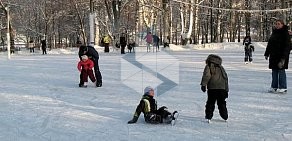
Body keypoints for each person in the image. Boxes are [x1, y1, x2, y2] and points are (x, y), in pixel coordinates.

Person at [200, 54, 229, 123]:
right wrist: (226, 90)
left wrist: (203, 85)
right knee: (222, 102)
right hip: (222, 88)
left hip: (212, 88)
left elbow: (207, 75)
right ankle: (225, 116)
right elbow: (225, 79)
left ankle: (208, 116)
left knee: (210, 102)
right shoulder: (221, 67)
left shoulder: (209, 66)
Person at [264, 19, 290, 93]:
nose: (277, 25)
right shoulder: (274, 33)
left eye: (279, 24)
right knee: (274, 71)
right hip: (273, 55)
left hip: (281, 55)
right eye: (276, 24)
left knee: (281, 71)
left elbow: (287, 46)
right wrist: (267, 53)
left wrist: (284, 56)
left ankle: (283, 87)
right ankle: (274, 86)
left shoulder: (285, 33)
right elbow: (270, 44)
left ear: (282, 24)